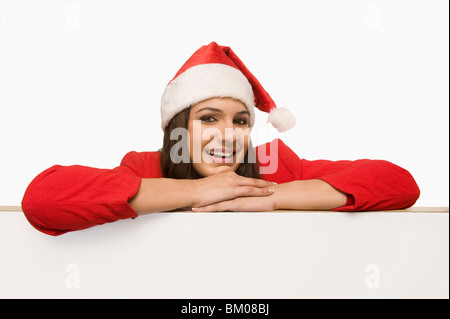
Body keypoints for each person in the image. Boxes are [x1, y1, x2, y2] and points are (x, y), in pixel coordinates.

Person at [21, 42, 420, 236]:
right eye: (209, 117)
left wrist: (271, 197)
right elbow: (43, 200)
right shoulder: (145, 168)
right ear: (178, 128)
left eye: (241, 120)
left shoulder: (275, 166)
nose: (228, 134)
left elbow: (399, 184)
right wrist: (199, 192)